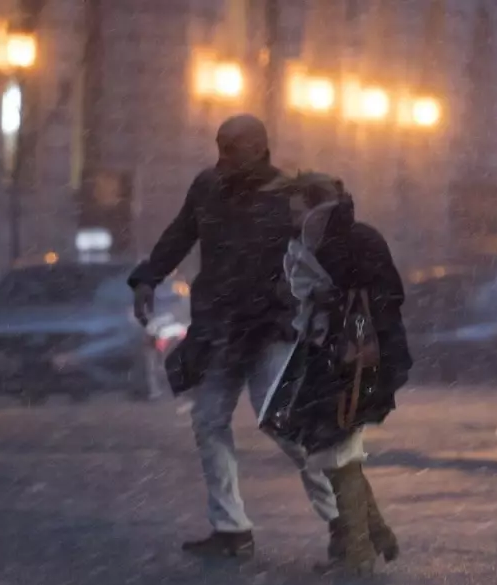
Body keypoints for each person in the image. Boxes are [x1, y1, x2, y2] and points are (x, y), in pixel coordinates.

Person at [128, 115, 340, 559]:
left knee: (286, 427)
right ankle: (231, 528)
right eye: (221, 145)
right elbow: (179, 235)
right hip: (220, 327)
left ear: (261, 148)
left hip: (270, 327)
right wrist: (147, 278)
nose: (225, 156)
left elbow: (322, 257)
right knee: (208, 420)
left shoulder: (290, 196)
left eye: (235, 147)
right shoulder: (207, 188)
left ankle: (345, 520)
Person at [261, 172, 412, 574]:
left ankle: (358, 553)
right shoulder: (314, 242)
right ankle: (373, 536)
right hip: (331, 356)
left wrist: (342, 310)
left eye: (297, 211)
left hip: (355, 359)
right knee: (337, 452)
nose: (292, 219)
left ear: (316, 206)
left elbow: (383, 301)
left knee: (339, 454)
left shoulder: (357, 240)